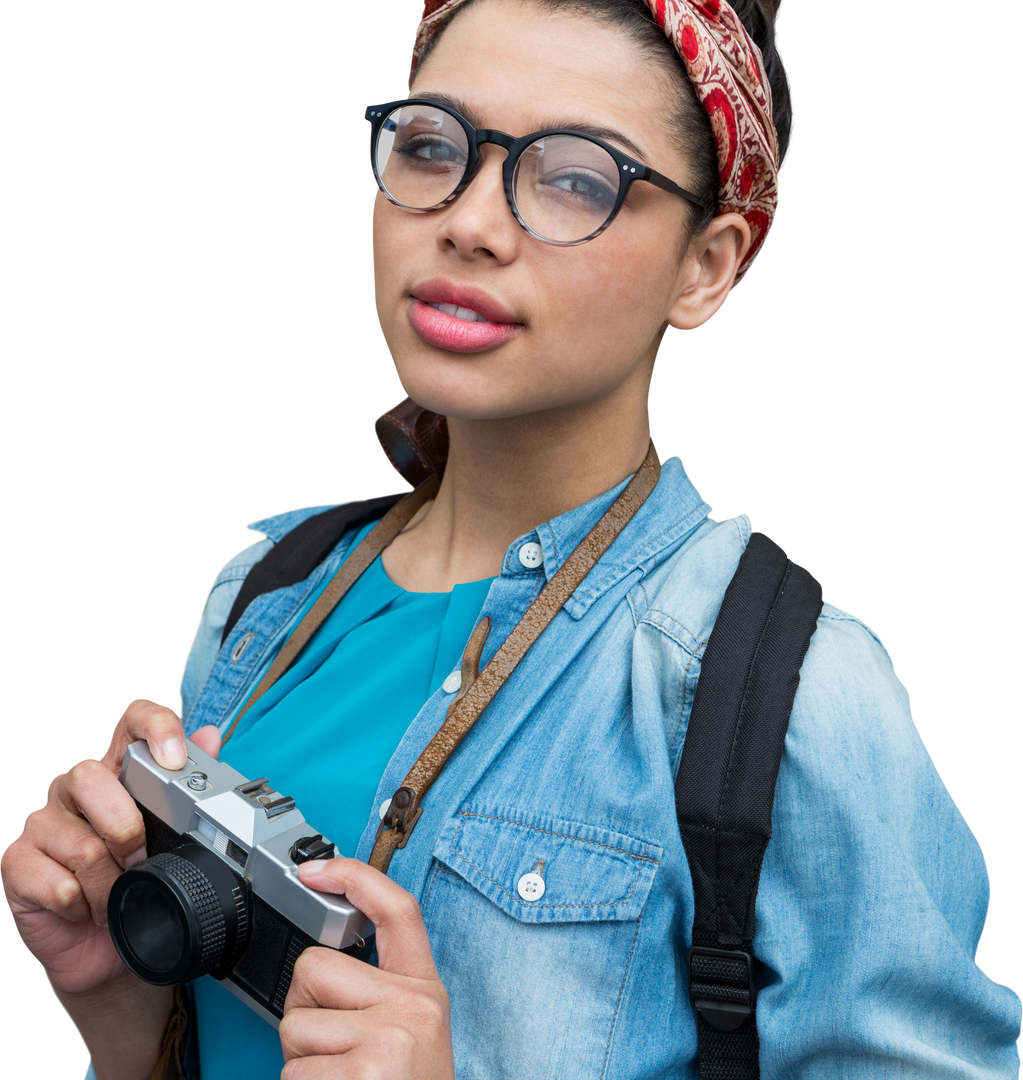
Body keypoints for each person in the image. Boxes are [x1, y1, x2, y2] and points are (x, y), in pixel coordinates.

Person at [3, 1, 1021, 1078]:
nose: (471, 222)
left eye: (575, 177)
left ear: (708, 267)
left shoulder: (794, 695)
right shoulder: (262, 594)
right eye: (433, 147)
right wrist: (117, 1019)